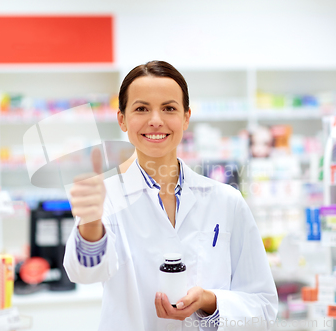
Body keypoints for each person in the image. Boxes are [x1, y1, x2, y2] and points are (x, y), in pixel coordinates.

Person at [63, 61, 278, 331]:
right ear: (122, 119)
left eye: (169, 108)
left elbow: (263, 306)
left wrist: (210, 302)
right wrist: (91, 223)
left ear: (186, 117)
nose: (156, 120)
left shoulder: (226, 201)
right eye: (141, 108)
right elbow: (84, 273)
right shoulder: (106, 198)